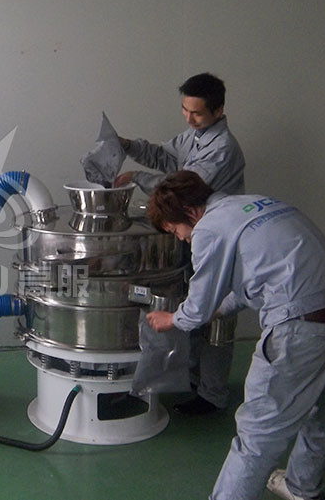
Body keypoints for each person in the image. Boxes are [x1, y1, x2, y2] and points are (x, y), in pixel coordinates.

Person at [145, 171, 325, 500]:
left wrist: (173, 318)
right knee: (320, 413)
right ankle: (302, 487)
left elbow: (196, 309)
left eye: (176, 231)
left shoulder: (209, 228)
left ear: (190, 212)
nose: (182, 239)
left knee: (257, 434)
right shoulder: (256, 205)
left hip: (299, 330)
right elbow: (258, 279)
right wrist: (217, 308)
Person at [116, 72, 245, 415]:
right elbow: (163, 156)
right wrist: (128, 146)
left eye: (197, 113)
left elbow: (181, 186)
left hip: (220, 241)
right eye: (185, 110)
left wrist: (136, 177)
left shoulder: (223, 149)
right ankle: (191, 379)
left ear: (218, 110)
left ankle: (212, 395)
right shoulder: (194, 135)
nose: (189, 118)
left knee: (216, 317)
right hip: (197, 236)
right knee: (197, 308)